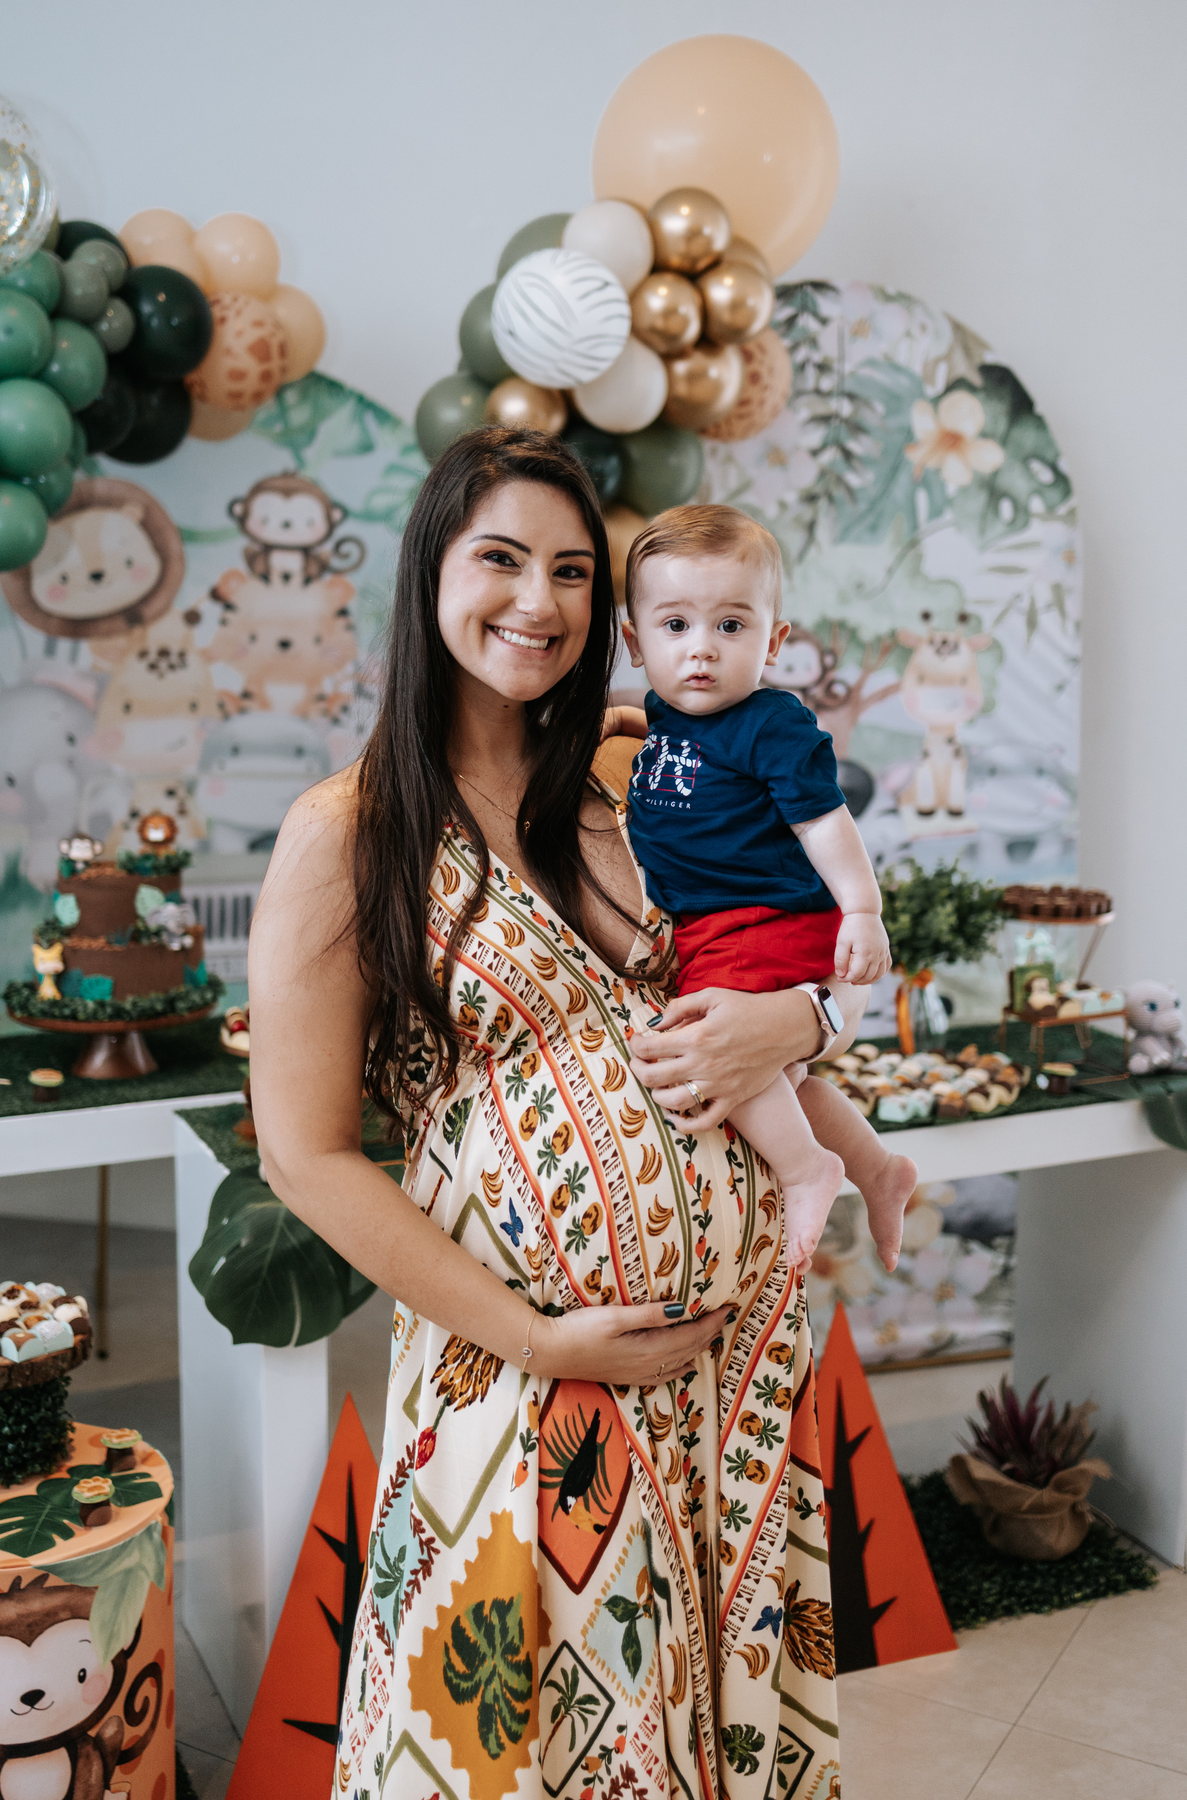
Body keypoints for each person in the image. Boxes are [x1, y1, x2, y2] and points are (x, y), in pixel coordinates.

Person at [249, 429, 860, 1800]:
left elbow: (820, 960)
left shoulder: (643, 775)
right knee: (520, 1741)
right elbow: (303, 1153)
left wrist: (806, 1019)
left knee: (712, 1720)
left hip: (729, 1373)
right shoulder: (346, 833)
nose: (541, 601)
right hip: (526, 1376)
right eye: (503, 559)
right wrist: (542, 1335)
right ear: (431, 576)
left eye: (575, 571)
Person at [618, 504, 917, 1271]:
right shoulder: (663, 716)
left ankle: (807, 1169)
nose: (701, 652)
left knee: (704, 1050)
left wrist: (863, 908)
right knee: (775, 1079)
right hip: (715, 926)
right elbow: (672, 744)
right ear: (634, 641)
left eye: (731, 626)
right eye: (676, 626)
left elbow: (823, 821)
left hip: (763, 921)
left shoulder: (771, 723)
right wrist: (627, 722)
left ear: (774, 641)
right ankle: (880, 1170)